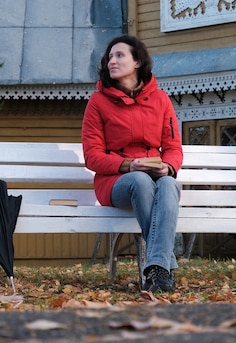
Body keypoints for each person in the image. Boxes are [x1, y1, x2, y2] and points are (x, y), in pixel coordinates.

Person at [82, 35, 183, 293]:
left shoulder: (160, 99)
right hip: (115, 181)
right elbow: (92, 156)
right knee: (139, 180)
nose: (111, 61)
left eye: (119, 55)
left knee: (170, 183)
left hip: (155, 177)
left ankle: (157, 272)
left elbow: (173, 148)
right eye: (109, 57)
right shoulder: (97, 102)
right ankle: (165, 263)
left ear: (137, 61)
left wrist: (167, 167)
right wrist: (129, 165)